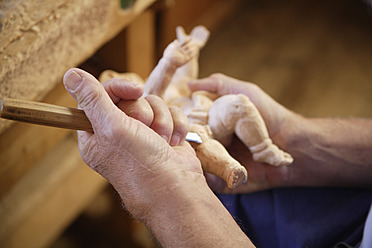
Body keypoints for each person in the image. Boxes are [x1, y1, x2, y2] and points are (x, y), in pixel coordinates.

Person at [63, 68, 372, 247]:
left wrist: (167, 193)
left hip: (198, 129)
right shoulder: (160, 91)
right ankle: (245, 160)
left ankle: (237, 164)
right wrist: (295, 138)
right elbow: (159, 81)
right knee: (220, 172)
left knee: (210, 168)